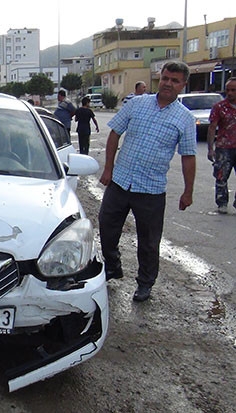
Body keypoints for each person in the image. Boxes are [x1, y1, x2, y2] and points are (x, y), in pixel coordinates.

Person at [98, 61, 196, 302]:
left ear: (183, 85)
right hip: (120, 182)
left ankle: (145, 283)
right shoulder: (137, 104)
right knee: (106, 228)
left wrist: (188, 191)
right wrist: (108, 168)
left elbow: (188, 156)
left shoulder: (185, 119)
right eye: (165, 78)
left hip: (151, 190)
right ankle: (112, 266)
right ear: (159, 79)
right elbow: (115, 133)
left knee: (149, 243)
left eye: (175, 80)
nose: (168, 84)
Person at [207, 77, 236, 215]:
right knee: (221, 176)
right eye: (228, 90)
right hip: (224, 147)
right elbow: (212, 127)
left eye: (233, 90)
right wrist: (210, 149)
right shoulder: (219, 107)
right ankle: (222, 202)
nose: (230, 93)